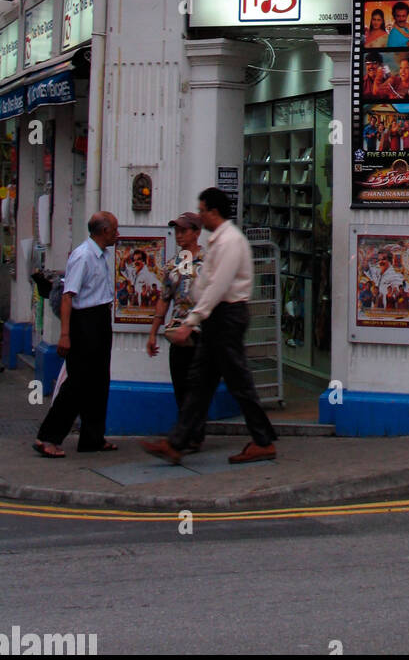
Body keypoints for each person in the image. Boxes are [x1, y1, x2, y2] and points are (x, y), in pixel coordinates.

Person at [141, 188, 277, 464]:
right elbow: (206, 283)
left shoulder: (230, 242)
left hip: (226, 316)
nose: (200, 215)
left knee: (238, 381)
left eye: (202, 210)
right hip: (217, 317)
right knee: (200, 383)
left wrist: (191, 321)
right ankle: (177, 442)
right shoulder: (219, 241)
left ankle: (263, 440)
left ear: (214, 212)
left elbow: (218, 286)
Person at [33, 212, 121, 458]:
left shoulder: (101, 255)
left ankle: (93, 437)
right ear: (103, 231)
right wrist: (65, 334)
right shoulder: (83, 256)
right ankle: (48, 437)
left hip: (100, 318)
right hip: (84, 323)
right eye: (115, 229)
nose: (118, 234)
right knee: (78, 382)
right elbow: (67, 297)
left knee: (99, 381)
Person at [146, 213, 207, 452]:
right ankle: (186, 432)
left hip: (201, 330)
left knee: (197, 385)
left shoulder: (207, 261)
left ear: (196, 232)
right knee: (181, 384)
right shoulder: (173, 264)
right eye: (177, 231)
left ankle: (194, 434)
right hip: (178, 330)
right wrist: (153, 332)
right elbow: (164, 299)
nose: (179, 236)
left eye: (184, 231)